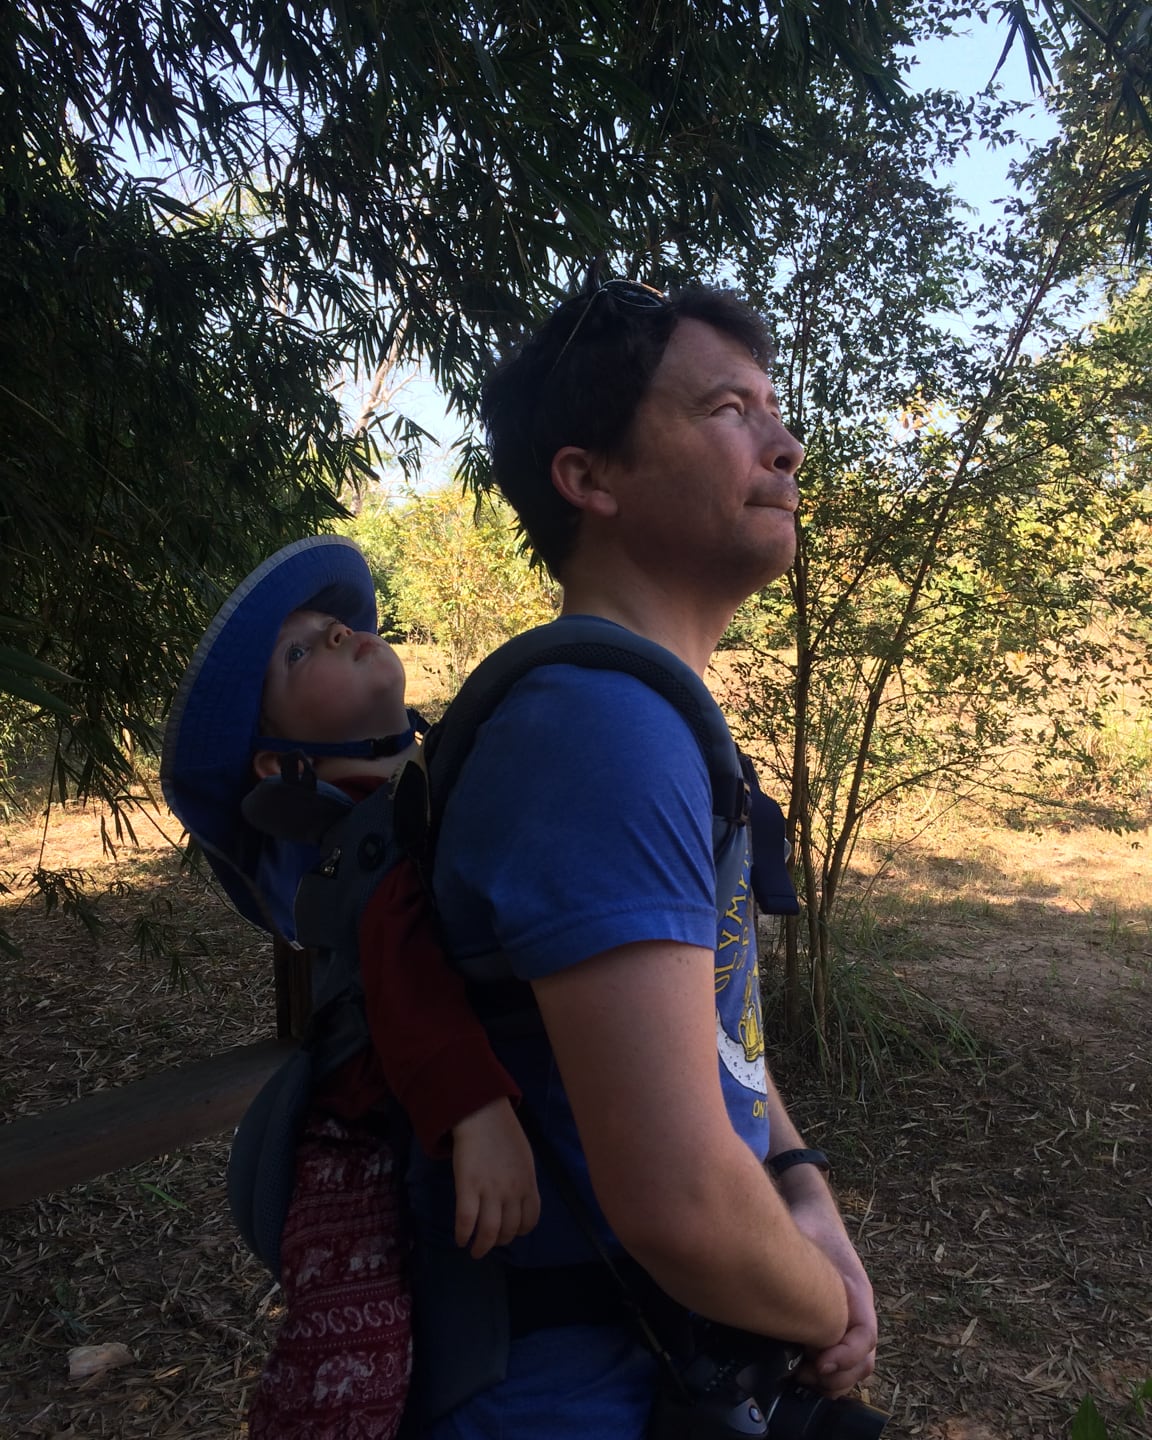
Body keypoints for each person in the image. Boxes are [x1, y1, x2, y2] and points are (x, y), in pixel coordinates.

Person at [410, 278, 878, 1437]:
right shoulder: (597, 735)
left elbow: (716, 1021)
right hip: (573, 1394)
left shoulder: (649, 716)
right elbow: (677, 1204)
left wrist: (802, 1184)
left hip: (661, 1360)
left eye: (774, 406)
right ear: (590, 477)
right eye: (728, 409)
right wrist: (829, 1310)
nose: (786, 444)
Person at [160, 536, 541, 1440]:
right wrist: (476, 1107)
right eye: (301, 653)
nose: (336, 635)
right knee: (347, 1358)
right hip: (358, 1127)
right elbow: (395, 950)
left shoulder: (422, 778)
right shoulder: (323, 837)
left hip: (441, 1088)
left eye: (332, 627)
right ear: (273, 764)